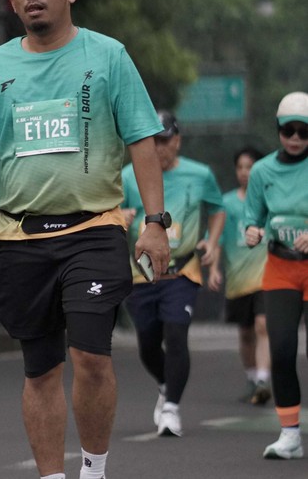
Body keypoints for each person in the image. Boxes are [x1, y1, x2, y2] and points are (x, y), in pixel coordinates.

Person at [0, 0, 170, 478]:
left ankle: (93, 470)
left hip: (93, 230)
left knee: (91, 356)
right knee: (41, 368)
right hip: (20, 238)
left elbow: (141, 140)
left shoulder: (108, 56)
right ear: (12, 1)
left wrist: (155, 222)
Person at [122, 110, 225, 437]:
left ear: (177, 141)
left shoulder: (200, 174)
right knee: (147, 344)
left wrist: (212, 241)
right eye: (152, 141)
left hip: (182, 271)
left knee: (176, 334)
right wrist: (120, 217)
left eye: (164, 140)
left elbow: (217, 208)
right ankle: (166, 384)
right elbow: (112, 212)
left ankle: (171, 408)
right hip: (142, 273)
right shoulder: (128, 176)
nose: (158, 148)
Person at [245, 91, 308, 460]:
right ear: (278, 130)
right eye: (289, 130)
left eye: (304, 131)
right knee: (282, 351)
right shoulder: (262, 171)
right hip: (280, 267)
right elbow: (252, 218)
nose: (296, 138)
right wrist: (252, 232)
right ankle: (290, 435)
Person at [208, 147, 271, 406]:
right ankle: (252, 378)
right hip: (238, 281)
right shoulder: (227, 203)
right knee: (246, 334)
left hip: (266, 277)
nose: (245, 172)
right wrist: (214, 268)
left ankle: (263, 380)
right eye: (240, 167)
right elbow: (217, 239)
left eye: (250, 167)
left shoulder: (269, 201)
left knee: (263, 325)